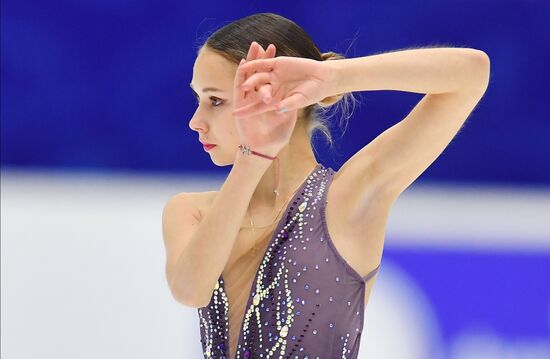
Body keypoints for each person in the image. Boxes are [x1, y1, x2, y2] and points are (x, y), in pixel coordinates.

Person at [162, 12, 490, 359]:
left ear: (275, 97)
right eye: (198, 100)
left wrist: (332, 76)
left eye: (215, 100)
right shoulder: (191, 211)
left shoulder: (347, 200)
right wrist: (252, 157)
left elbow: (471, 73)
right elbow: (190, 290)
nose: (195, 122)